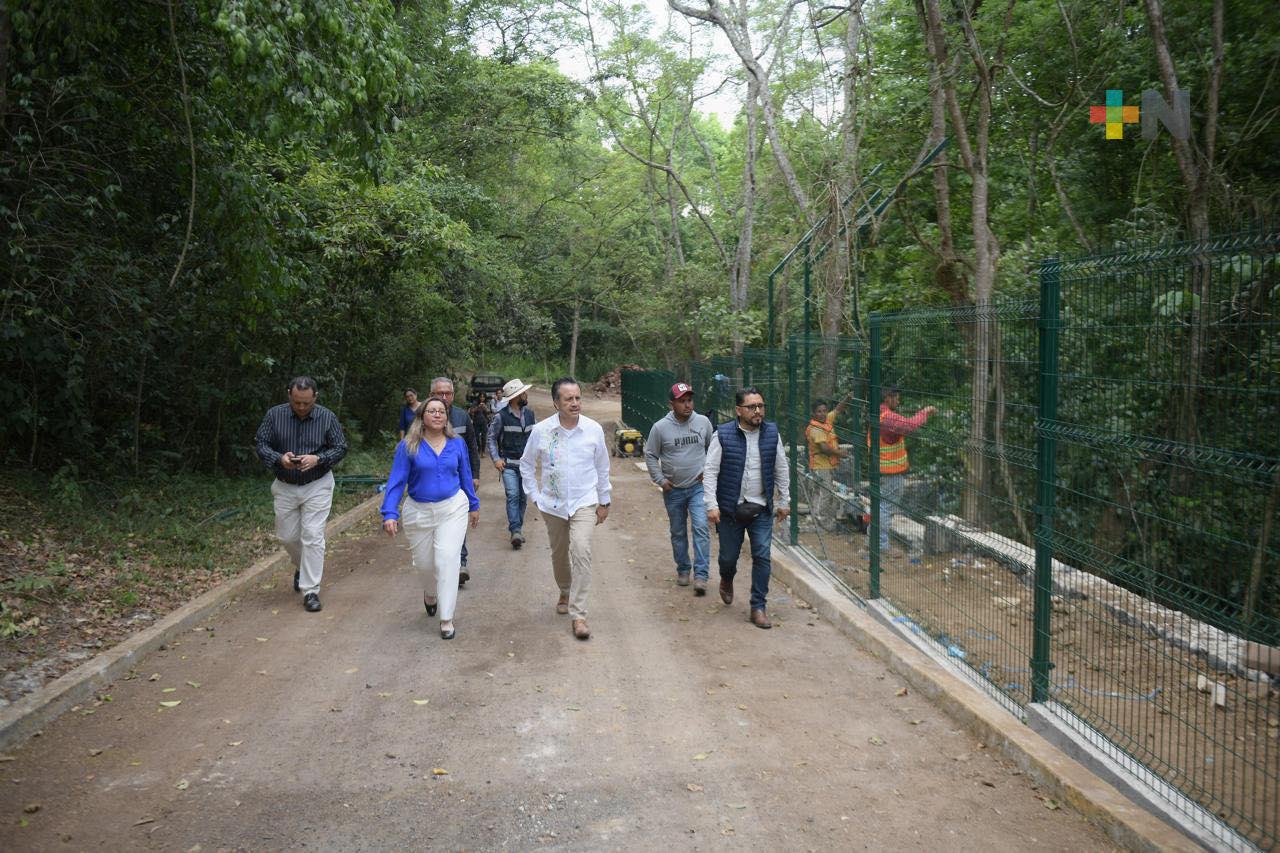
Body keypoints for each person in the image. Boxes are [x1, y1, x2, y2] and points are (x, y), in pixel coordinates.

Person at [519, 377, 611, 640]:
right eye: (568, 399)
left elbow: (603, 468)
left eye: (578, 398)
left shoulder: (593, 430)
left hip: (585, 501)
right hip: (553, 504)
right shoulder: (542, 431)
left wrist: (604, 501)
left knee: (581, 549)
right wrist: (534, 495)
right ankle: (564, 588)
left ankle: (579, 614)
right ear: (556, 402)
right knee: (559, 553)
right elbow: (526, 465)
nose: (575, 403)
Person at [380, 397, 480, 639]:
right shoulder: (408, 446)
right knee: (425, 565)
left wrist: (473, 504)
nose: (437, 415)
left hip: (452, 507)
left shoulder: (457, 443)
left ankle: (446, 619)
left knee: (447, 559)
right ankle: (429, 593)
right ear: (422, 417)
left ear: (446, 417)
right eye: (432, 411)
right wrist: (389, 513)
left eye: (442, 412)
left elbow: (465, 475)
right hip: (419, 510)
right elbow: (396, 481)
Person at [254, 376, 348, 613]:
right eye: (297, 402)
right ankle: (301, 567)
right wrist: (279, 458)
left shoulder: (327, 417)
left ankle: (311, 590)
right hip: (285, 484)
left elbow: (340, 447)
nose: (302, 407)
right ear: (289, 395)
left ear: (315, 397)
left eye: (307, 403)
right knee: (287, 536)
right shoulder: (274, 415)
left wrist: (319, 458)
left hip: (317, 483)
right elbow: (261, 443)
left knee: (313, 535)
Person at [703, 387, 790, 630]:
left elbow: (781, 468)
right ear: (739, 411)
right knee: (728, 558)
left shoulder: (772, 433)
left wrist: (784, 501)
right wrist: (711, 505)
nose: (758, 411)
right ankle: (726, 578)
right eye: (752, 407)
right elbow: (710, 471)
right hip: (731, 510)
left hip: (761, 508)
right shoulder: (724, 434)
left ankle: (758, 606)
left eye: (761, 406)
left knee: (762, 555)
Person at [644, 382, 713, 594]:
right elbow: (650, 454)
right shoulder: (660, 428)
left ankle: (701, 575)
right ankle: (683, 568)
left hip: (698, 487)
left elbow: (713, 449)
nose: (687, 405)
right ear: (671, 404)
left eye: (690, 400)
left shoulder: (703, 423)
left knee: (701, 527)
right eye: (682, 401)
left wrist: (708, 473)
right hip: (673, 489)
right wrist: (661, 480)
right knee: (678, 530)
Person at [870, 386, 936, 554]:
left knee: (879, 506)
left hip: (880, 469)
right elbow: (909, 426)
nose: (898, 401)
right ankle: (881, 546)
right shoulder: (888, 418)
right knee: (885, 508)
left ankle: (873, 541)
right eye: (896, 398)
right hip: (891, 472)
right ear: (888, 398)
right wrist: (925, 413)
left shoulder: (877, 413)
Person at [430, 377, 482, 586]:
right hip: (431, 483)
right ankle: (439, 566)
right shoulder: (421, 418)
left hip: (459, 480)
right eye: (439, 394)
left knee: (456, 522)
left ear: (452, 395)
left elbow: (472, 448)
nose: (444, 398)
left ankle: (460, 563)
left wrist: (475, 475)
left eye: (448, 393)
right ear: (431, 395)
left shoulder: (462, 416)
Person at [487, 378, 536, 549]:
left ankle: (518, 530)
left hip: (526, 466)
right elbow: (491, 438)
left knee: (523, 498)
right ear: (516, 396)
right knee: (513, 495)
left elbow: (534, 439)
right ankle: (515, 530)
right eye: (523, 393)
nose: (525, 395)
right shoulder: (501, 417)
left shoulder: (530, 414)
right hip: (508, 464)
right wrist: (496, 459)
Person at [805, 392, 853, 530]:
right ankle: (823, 521)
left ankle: (816, 517)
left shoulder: (826, 421)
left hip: (825, 465)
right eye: (819, 411)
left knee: (819, 492)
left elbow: (838, 410)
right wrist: (841, 453)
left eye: (824, 411)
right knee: (825, 493)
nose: (823, 414)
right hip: (821, 466)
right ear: (813, 413)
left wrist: (847, 398)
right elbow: (825, 449)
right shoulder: (816, 429)